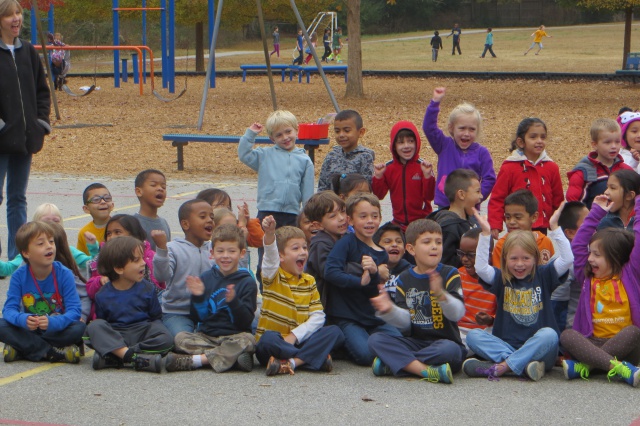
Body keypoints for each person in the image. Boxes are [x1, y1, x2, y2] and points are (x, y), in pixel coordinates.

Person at [463, 204, 573, 381]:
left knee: (550, 334)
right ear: (505, 259)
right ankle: (523, 367)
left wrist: (555, 228)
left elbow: (567, 259)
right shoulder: (502, 278)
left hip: (541, 351)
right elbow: (481, 268)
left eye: (526, 258)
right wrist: (485, 235)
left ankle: (503, 367)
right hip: (507, 345)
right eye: (513, 258)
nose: (519, 264)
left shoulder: (544, 275)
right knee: (474, 336)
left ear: (535, 259)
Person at [368, 219, 466, 383]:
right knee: (375, 340)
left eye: (438, 242)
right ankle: (426, 371)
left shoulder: (450, 273)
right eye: (427, 242)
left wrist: (441, 295)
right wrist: (389, 310)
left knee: (451, 351)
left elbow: (457, 314)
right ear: (411, 249)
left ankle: (396, 364)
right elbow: (406, 323)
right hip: (415, 341)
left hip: (444, 343)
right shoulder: (404, 279)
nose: (434, 246)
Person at [561, 194, 640, 386]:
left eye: (596, 255)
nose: (590, 259)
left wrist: (637, 207)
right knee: (566, 335)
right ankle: (618, 368)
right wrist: (596, 212)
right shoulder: (587, 278)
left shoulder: (630, 274)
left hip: (624, 344)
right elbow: (579, 244)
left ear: (615, 257)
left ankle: (587, 367)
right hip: (592, 341)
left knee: (633, 332)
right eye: (590, 254)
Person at [256, 216, 345, 376]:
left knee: (334, 332)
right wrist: (269, 234)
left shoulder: (309, 281)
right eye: (295, 248)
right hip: (275, 344)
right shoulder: (273, 276)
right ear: (280, 256)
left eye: (305, 247)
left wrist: (294, 336)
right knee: (267, 339)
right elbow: (269, 256)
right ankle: (310, 358)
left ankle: (290, 363)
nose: (303, 252)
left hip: (298, 341)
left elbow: (317, 316)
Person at [164, 224, 257, 373]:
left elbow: (245, 322)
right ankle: (231, 358)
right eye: (220, 251)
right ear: (212, 253)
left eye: (231, 251)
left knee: (249, 341)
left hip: (234, 336)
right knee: (181, 338)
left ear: (242, 253)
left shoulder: (247, 282)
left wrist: (234, 302)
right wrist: (198, 296)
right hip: (207, 337)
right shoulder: (206, 278)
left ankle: (197, 361)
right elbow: (199, 317)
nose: (225, 255)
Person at [324, 193, 402, 366]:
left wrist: (374, 274)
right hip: (347, 316)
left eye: (374, 216)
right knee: (366, 356)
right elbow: (330, 271)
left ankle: (376, 349)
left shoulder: (381, 252)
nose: (369, 221)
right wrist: (360, 280)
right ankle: (342, 345)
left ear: (381, 218)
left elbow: (373, 291)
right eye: (363, 216)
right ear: (350, 220)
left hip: (371, 317)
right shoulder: (346, 243)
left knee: (400, 340)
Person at [0, 0, 51, 261]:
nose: (16, 19)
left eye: (18, 13)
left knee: (17, 199)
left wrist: (40, 122)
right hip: (1, 140)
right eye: (9, 15)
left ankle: (16, 257)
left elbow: (42, 90)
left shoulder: (28, 51)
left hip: (25, 139)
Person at [0, 221, 85, 364]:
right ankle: (51, 352)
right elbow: (8, 310)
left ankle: (24, 348)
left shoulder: (65, 274)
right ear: (26, 253)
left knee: (79, 328)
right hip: (29, 328)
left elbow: (75, 310)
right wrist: (23, 319)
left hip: (54, 329)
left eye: (51, 241)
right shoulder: (19, 275)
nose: (49, 246)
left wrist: (53, 322)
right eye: (40, 244)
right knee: (2, 325)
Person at [87, 236, 173, 373]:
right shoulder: (102, 294)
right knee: (93, 327)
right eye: (136, 260)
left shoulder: (147, 288)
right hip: (117, 334)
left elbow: (155, 316)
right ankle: (135, 358)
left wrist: (156, 329)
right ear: (119, 269)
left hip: (142, 332)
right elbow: (103, 321)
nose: (143, 263)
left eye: (143, 258)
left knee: (167, 339)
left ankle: (118, 356)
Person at [488, 118, 564, 237]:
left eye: (543, 137)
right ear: (520, 142)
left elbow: (558, 199)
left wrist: (561, 224)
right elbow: (498, 198)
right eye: (533, 137)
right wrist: (495, 224)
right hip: (516, 227)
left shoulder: (552, 167)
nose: (539, 141)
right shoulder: (509, 167)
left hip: (541, 228)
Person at [422, 86, 496, 208]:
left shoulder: (482, 153)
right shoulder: (444, 146)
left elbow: (490, 178)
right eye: (462, 128)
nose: (466, 133)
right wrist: (435, 103)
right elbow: (429, 128)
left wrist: (477, 196)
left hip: (470, 209)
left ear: (477, 131)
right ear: (451, 128)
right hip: (445, 207)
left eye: (472, 129)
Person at [152, 199, 215, 337]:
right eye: (203, 216)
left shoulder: (214, 249)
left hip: (208, 310)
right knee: (181, 337)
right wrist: (161, 249)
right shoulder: (173, 248)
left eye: (212, 216)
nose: (210, 220)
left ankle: (203, 351)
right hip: (177, 312)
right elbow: (161, 276)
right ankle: (197, 354)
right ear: (185, 224)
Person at [87, 214, 164, 320]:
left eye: (117, 232)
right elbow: (90, 291)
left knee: (161, 330)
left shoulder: (150, 257)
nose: (112, 237)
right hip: (114, 312)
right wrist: (99, 281)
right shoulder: (103, 258)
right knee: (97, 327)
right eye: (108, 233)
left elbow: (161, 285)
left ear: (134, 234)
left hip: (143, 311)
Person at [372, 120, 435, 231]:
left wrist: (427, 177)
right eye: (401, 142)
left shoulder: (423, 167)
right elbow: (379, 195)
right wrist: (378, 177)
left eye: (410, 141)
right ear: (394, 146)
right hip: (398, 223)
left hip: (422, 223)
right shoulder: (389, 168)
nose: (406, 146)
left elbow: (430, 196)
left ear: (417, 143)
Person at [566, 118, 632, 209]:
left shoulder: (626, 170)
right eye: (607, 142)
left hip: (622, 222)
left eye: (617, 142)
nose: (614, 146)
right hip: (593, 221)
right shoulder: (584, 173)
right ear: (594, 145)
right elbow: (573, 206)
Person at [428, 169, 482, 268]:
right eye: (477, 191)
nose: (481, 196)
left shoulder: (471, 220)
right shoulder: (449, 228)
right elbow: (445, 264)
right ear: (461, 194)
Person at [456, 228, 496, 352]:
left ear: (488, 255)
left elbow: (504, 314)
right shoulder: (457, 275)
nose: (464, 259)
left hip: (486, 331)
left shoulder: (497, 278)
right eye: (461, 253)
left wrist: (491, 319)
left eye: (470, 255)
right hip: (460, 331)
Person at [304, 191, 348, 303]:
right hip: (325, 307)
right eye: (333, 216)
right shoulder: (320, 244)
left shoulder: (346, 237)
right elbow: (331, 271)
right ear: (318, 225)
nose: (341, 218)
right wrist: (362, 268)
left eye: (342, 212)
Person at [492, 189, 555, 267]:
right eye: (508, 217)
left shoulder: (545, 242)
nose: (511, 222)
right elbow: (499, 276)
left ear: (534, 217)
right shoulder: (501, 246)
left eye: (518, 217)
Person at [318, 110, 375, 191]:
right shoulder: (331, 156)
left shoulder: (365, 157)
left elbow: (366, 189)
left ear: (361, 132)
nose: (341, 135)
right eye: (337, 131)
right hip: (331, 202)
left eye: (347, 131)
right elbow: (322, 186)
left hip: (355, 202)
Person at [196, 188, 264, 249]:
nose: (225, 209)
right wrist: (242, 225)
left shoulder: (232, 225)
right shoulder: (203, 229)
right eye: (221, 205)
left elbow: (260, 241)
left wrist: (248, 222)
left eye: (228, 207)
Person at [559, 201, 590, 330]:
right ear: (570, 233)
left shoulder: (595, 255)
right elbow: (558, 306)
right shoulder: (565, 264)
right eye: (587, 223)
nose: (594, 225)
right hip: (575, 327)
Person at [372, 222, 412, 302]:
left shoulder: (411, 272)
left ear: (405, 249)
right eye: (387, 241)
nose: (394, 244)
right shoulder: (369, 270)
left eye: (399, 241)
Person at [134, 169, 171, 252]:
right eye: (153, 185)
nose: (160, 189)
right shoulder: (133, 223)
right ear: (139, 191)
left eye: (163, 187)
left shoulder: (164, 222)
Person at [77, 183, 114, 255]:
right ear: (86, 209)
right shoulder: (84, 233)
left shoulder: (120, 226)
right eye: (96, 199)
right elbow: (82, 260)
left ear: (112, 205)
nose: (103, 202)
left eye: (107, 198)